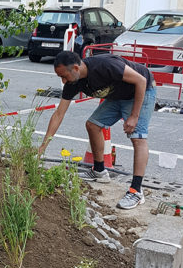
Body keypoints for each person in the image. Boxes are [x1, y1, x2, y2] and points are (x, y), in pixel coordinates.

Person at [38, 51, 157, 209]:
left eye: (64, 76)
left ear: (75, 68)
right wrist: (42, 148)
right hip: (118, 96)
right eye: (60, 77)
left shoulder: (105, 66)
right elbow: (59, 114)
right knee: (93, 125)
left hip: (141, 90)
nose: (63, 80)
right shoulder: (73, 83)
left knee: (137, 137)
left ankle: (136, 191)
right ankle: (99, 172)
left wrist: (134, 116)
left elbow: (141, 81)